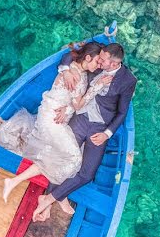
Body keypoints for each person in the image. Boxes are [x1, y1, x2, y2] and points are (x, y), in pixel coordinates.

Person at [32, 42, 136, 221]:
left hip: (100, 126)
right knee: (61, 157)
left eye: (102, 60)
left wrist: (107, 134)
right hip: (80, 116)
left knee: (87, 174)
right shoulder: (95, 59)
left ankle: (49, 198)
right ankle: (50, 200)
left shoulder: (128, 81)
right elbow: (72, 55)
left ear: (113, 64)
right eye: (98, 58)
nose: (98, 62)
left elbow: (121, 113)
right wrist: (65, 70)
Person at [0, 42, 105, 203]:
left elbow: (68, 56)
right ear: (88, 57)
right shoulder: (74, 75)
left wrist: (67, 109)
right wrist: (97, 87)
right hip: (51, 120)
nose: (99, 65)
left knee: (57, 153)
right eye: (97, 61)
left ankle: (14, 182)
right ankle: (53, 195)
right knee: (74, 159)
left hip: (54, 116)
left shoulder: (76, 69)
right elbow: (79, 104)